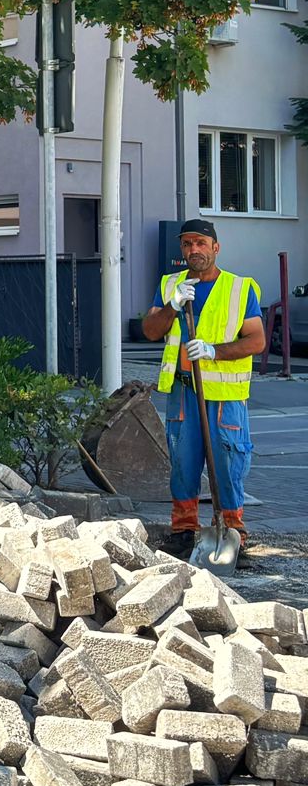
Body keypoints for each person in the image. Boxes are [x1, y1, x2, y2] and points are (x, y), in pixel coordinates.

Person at [141, 219, 264, 547]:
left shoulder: (240, 288)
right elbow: (151, 330)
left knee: (227, 461)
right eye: (187, 244)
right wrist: (173, 305)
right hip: (184, 390)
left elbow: (257, 340)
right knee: (183, 460)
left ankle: (232, 532)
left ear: (215, 248)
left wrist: (214, 351)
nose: (193, 249)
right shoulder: (170, 285)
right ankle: (183, 530)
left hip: (224, 394)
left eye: (200, 243)